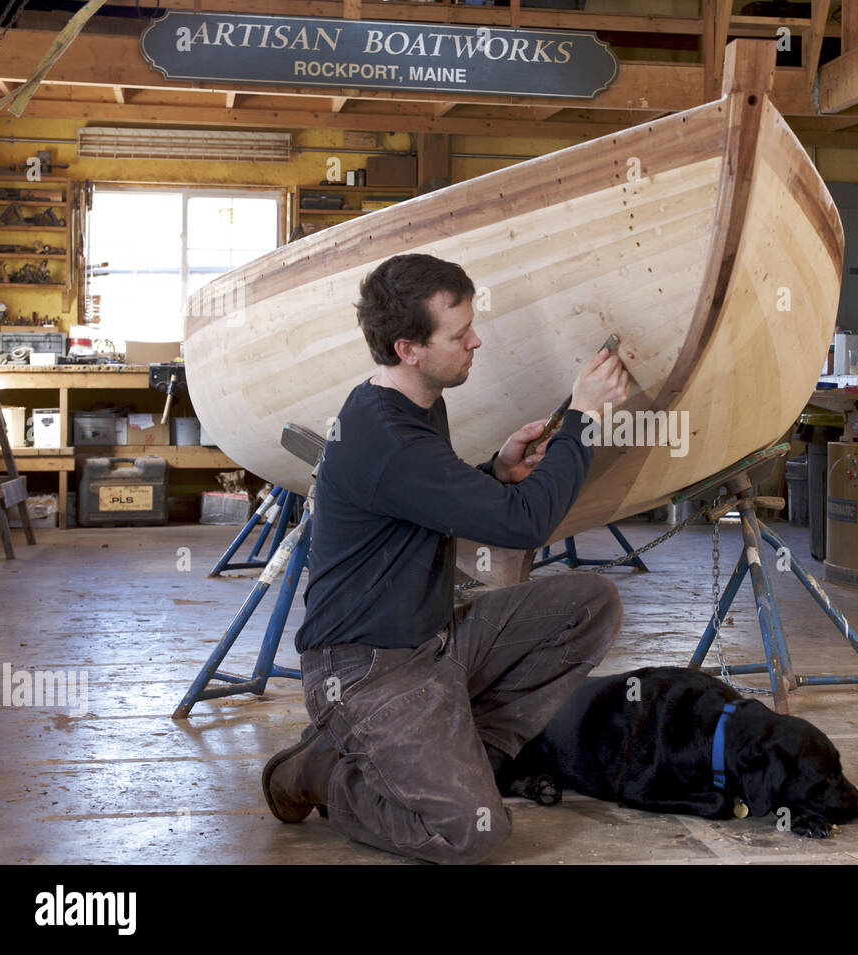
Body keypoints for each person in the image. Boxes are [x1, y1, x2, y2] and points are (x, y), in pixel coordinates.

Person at [262, 252, 629, 864]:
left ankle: (470, 757)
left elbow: (418, 499)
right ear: (408, 348)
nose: (475, 341)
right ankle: (325, 772)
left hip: (430, 641)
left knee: (588, 603)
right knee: (471, 834)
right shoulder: (388, 437)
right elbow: (525, 523)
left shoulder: (416, 400)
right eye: (459, 335)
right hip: (363, 671)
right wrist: (584, 419)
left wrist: (496, 472)